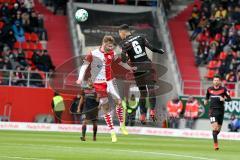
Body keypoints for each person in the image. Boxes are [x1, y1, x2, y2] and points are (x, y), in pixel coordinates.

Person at [76, 35, 134, 142]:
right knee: (105, 108)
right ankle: (112, 133)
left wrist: (130, 68)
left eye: (112, 47)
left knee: (119, 102)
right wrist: (80, 78)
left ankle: (122, 126)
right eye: (109, 47)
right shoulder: (93, 53)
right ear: (104, 43)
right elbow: (84, 66)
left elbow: (121, 62)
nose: (111, 49)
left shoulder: (112, 53)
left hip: (110, 81)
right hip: (98, 84)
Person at [118, 24, 165, 124]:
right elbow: (152, 48)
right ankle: (152, 110)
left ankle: (142, 115)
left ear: (123, 32)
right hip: (146, 65)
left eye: (119, 34)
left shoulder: (124, 43)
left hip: (137, 69)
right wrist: (160, 51)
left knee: (143, 92)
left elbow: (123, 59)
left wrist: (125, 58)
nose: (120, 36)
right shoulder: (140, 37)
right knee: (151, 89)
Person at [204, 74, 231, 150]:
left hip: (221, 111)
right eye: (214, 80)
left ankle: (214, 135)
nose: (215, 81)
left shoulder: (224, 89)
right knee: (215, 127)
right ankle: (216, 145)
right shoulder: (209, 89)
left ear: (220, 81)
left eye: (217, 80)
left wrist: (224, 99)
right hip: (212, 111)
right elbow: (207, 96)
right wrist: (205, 101)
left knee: (218, 130)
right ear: (213, 81)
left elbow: (230, 99)